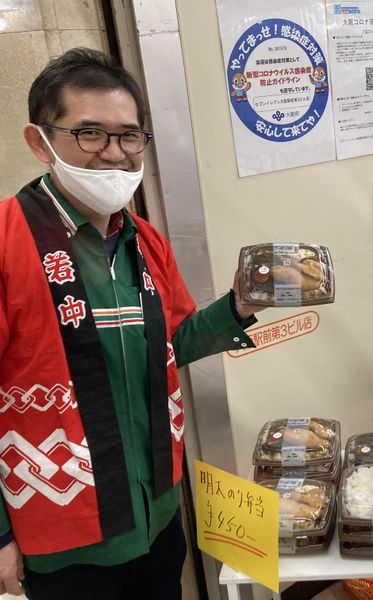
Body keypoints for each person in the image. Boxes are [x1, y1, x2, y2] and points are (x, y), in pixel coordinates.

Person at [0, 48, 264, 599]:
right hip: (60, 536)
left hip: (157, 513)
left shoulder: (144, 241)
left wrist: (240, 305)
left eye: (128, 136)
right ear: (40, 142)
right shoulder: (6, 242)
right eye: (90, 133)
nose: (114, 153)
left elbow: (171, 344)